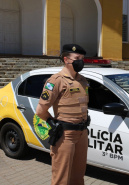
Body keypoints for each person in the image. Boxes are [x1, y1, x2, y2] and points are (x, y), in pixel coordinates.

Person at [36, 44, 89, 185]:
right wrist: (54, 124)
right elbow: (40, 111)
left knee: (78, 177)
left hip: (83, 133)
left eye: (82, 58)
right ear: (66, 59)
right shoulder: (56, 81)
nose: (81, 61)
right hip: (65, 135)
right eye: (77, 58)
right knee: (61, 178)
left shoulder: (82, 80)